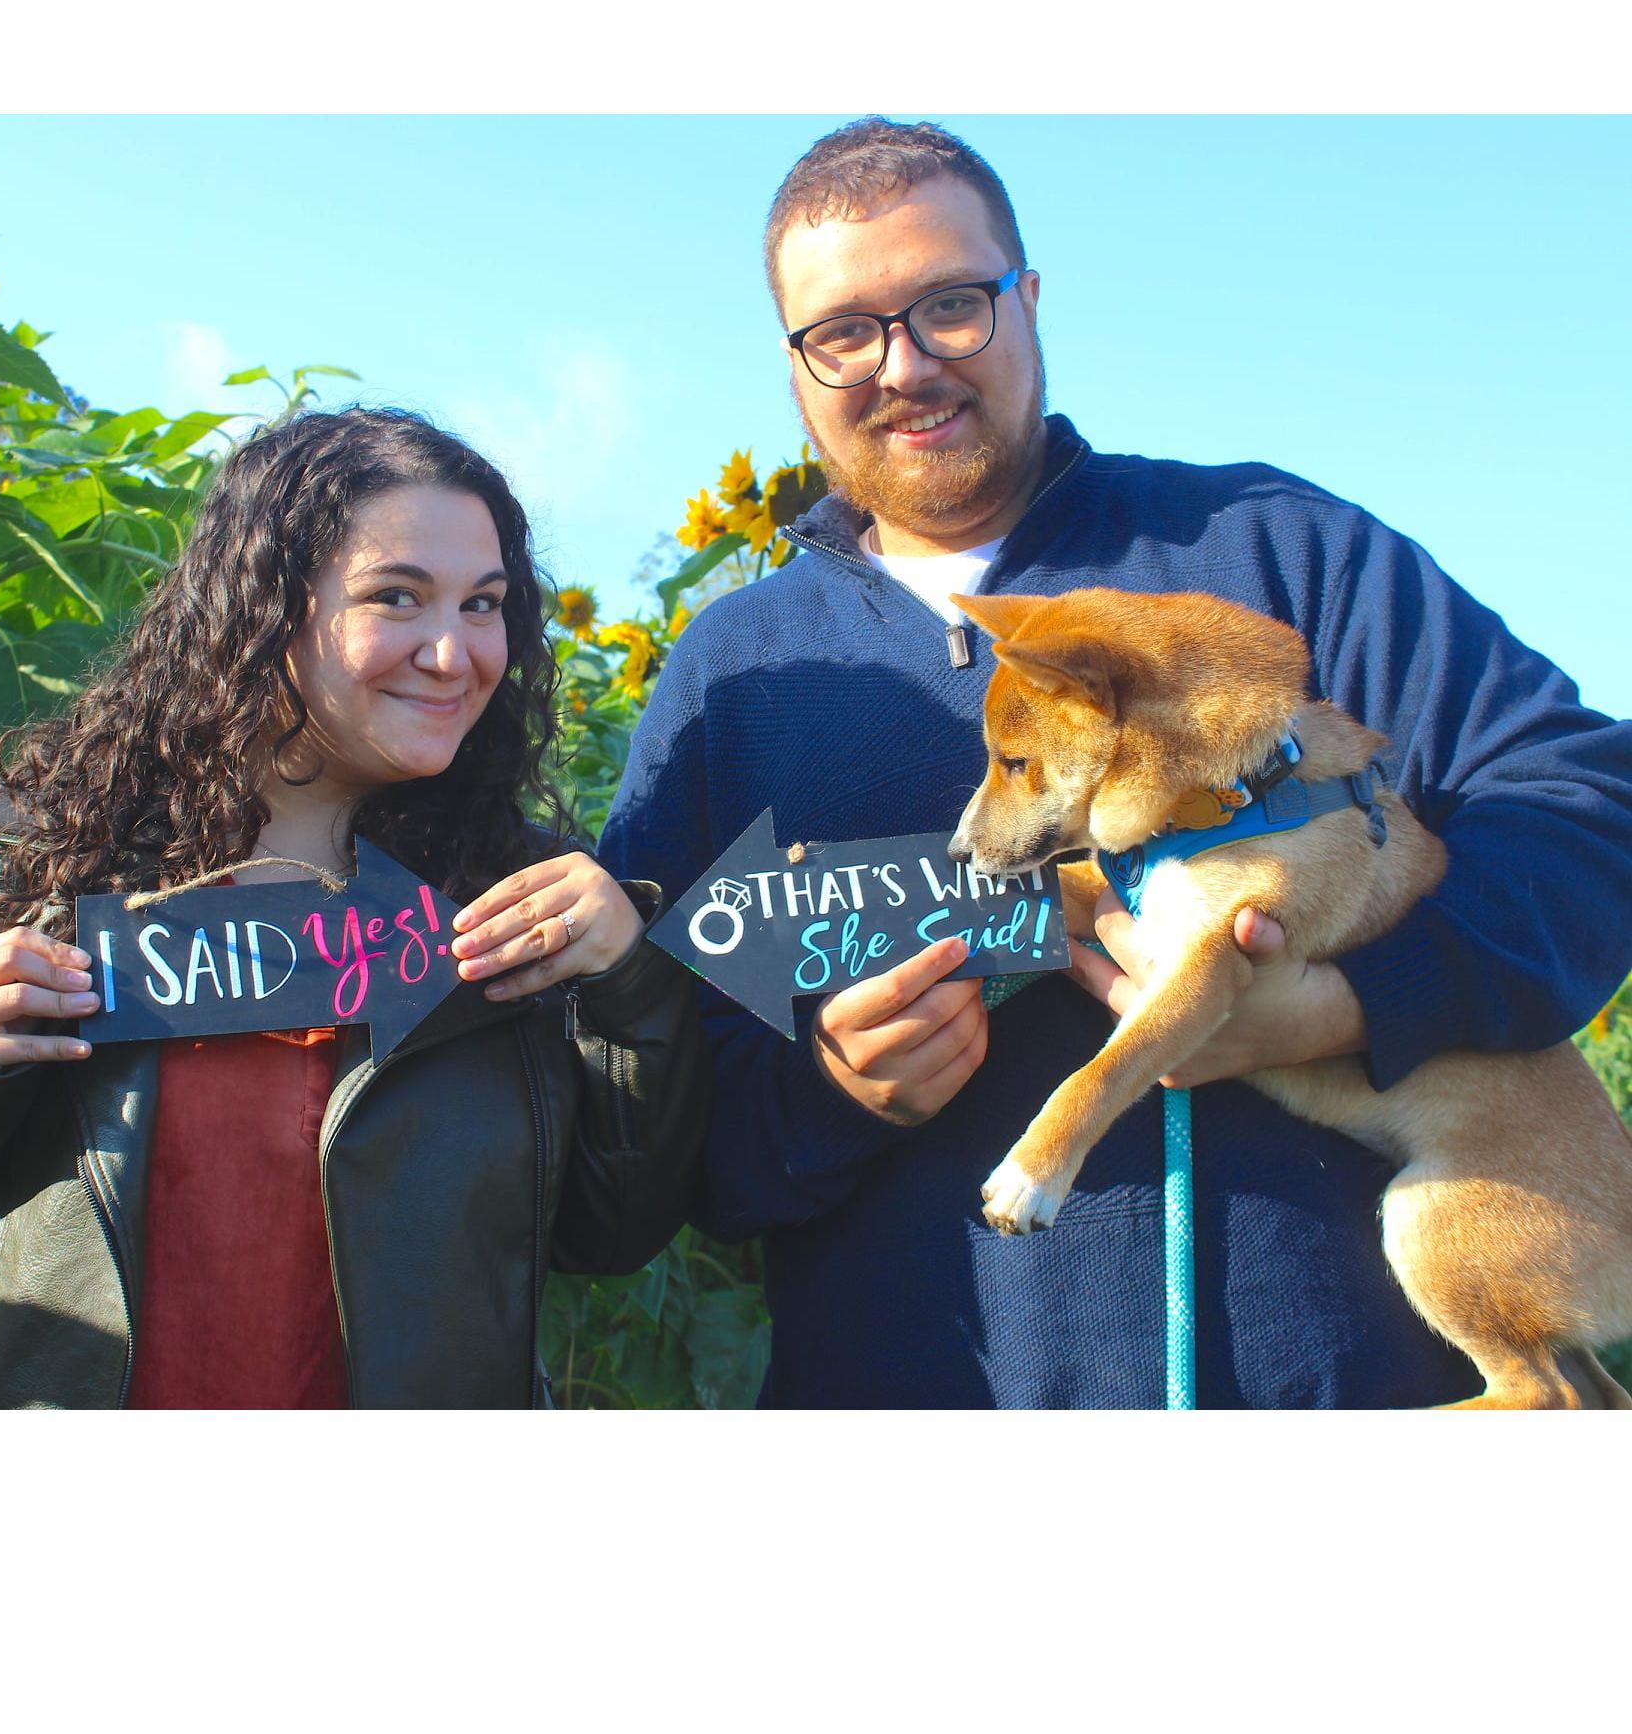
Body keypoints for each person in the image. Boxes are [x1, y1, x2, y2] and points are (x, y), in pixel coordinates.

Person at [600, 118, 1632, 1409]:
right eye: (844, 334)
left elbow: (1589, 807)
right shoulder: (730, 680)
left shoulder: (1276, 553)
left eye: (954, 305)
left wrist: (1354, 1005)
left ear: (1029, 301)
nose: (905, 366)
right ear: (796, 367)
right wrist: (828, 1095)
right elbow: (633, 1128)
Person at [0, 407, 709, 1409]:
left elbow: (613, 1232)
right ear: (266, 605)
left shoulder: (519, 899)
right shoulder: (36, 856)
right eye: (398, 597)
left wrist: (631, 988)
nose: (454, 654)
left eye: (482, 604)